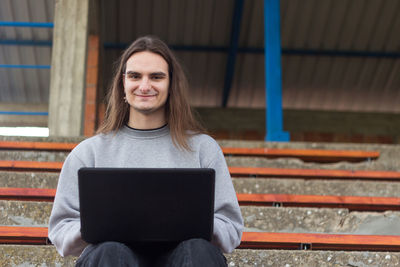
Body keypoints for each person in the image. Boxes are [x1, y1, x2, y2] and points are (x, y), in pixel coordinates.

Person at [48, 35, 243, 266]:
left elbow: (230, 225)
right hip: (114, 258)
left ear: (171, 85)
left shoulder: (203, 149)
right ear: (123, 83)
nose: (144, 86)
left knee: (198, 251)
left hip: (185, 258)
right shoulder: (88, 153)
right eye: (134, 76)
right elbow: (61, 228)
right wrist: (100, 226)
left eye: (156, 77)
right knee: (109, 252)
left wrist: (192, 224)